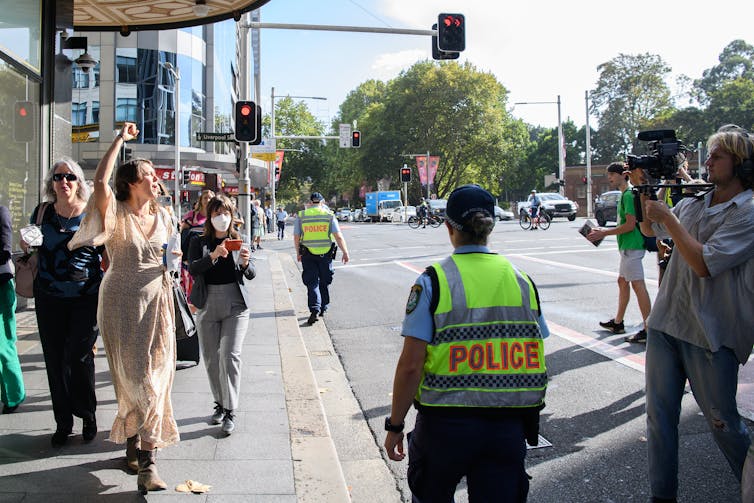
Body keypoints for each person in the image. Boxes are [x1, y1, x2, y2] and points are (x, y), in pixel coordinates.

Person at [384, 184, 549, 501]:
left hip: (444, 426)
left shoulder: (433, 281)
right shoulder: (521, 279)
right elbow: (537, 345)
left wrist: (395, 425)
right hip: (507, 428)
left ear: (449, 227)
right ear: (491, 226)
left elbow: (410, 366)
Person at [639, 124, 754, 503]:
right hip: (667, 323)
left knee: (723, 424)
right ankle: (662, 497)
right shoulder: (693, 202)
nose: (708, 162)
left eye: (717, 156)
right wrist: (647, 192)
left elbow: (705, 263)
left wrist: (668, 219)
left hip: (712, 333)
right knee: (659, 421)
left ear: (740, 164)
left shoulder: (748, 211)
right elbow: (650, 228)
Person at [68, 122, 179, 493]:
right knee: (136, 380)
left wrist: (172, 260)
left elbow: (168, 254)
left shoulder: (163, 216)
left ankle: (144, 458)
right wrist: (119, 140)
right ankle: (140, 449)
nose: (154, 179)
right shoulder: (114, 212)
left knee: (158, 379)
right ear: (131, 182)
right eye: (147, 175)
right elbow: (99, 183)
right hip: (121, 304)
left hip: (159, 302)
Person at [21, 158, 103, 447]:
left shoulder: (92, 212)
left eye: (70, 177)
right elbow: (33, 246)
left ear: (79, 182)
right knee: (55, 360)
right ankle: (63, 422)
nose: (64, 182)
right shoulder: (43, 212)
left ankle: (87, 414)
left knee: (79, 357)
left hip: (86, 296)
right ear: (51, 183)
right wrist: (27, 247)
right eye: (58, 177)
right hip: (49, 296)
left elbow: (107, 248)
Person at [188, 195, 255, 436]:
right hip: (207, 303)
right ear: (209, 216)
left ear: (232, 215)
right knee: (211, 358)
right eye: (217, 213)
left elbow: (251, 274)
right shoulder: (199, 241)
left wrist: (246, 264)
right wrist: (213, 255)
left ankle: (230, 410)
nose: (222, 218)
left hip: (235, 304)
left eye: (226, 213)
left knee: (230, 355)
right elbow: (192, 268)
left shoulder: (239, 240)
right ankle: (219, 402)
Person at [588, 162, 652, 343]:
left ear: (623, 175)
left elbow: (630, 225)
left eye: (612, 175)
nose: (609, 178)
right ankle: (618, 323)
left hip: (632, 246)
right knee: (622, 281)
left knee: (638, 286)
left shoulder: (629, 196)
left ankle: (649, 328)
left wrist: (604, 232)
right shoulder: (625, 195)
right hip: (628, 247)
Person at [293, 192, 350, 326]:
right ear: (322, 202)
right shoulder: (329, 215)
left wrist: (298, 252)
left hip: (308, 254)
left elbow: (296, 237)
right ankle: (323, 307)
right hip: (325, 254)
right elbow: (338, 236)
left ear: (310, 202)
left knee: (312, 283)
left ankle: (314, 309)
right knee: (324, 281)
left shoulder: (302, 215)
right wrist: (345, 252)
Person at [0, 205, 25, 415]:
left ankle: (13, 396)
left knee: (3, 344)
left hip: (1, 286)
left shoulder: (1, 212)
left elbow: (4, 250)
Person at [180, 189, 214, 296]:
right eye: (205, 198)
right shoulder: (192, 215)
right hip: (193, 251)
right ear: (201, 200)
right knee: (191, 278)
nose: (207, 200)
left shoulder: (215, 215)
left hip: (209, 250)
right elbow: (182, 232)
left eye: (209, 198)